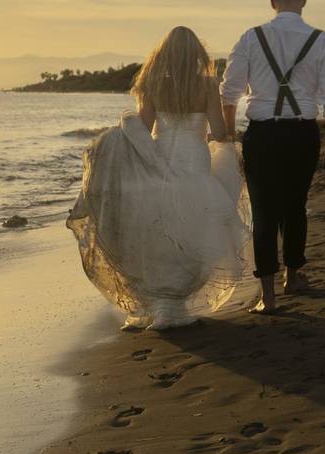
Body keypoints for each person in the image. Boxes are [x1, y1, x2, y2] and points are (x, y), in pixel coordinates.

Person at [67, 26, 254, 331]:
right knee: (191, 229)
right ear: (197, 53)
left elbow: (142, 128)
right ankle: (173, 305)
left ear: (163, 53)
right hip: (194, 159)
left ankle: (161, 305)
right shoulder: (206, 85)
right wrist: (223, 137)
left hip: (160, 157)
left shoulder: (152, 83)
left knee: (157, 229)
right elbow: (219, 132)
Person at [221, 0, 325, 313]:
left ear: (272, 2)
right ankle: (293, 276)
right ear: (304, 1)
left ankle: (268, 297)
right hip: (302, 135)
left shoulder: (251, 37)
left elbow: (229, 92)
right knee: (295, 206)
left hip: (262, 136)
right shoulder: (321, 39)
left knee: (264, 212)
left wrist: (228, 135)